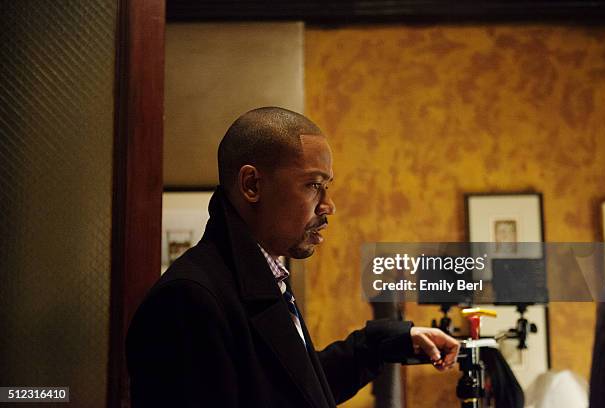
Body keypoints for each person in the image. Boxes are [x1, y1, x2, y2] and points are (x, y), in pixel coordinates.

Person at [126, 107, 459, 407]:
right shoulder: (188, 300)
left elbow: (294, 388)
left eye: (327, 186)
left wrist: (387, 342)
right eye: (313, 185)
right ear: (252, 184)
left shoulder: (260, 275)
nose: (328, 205)